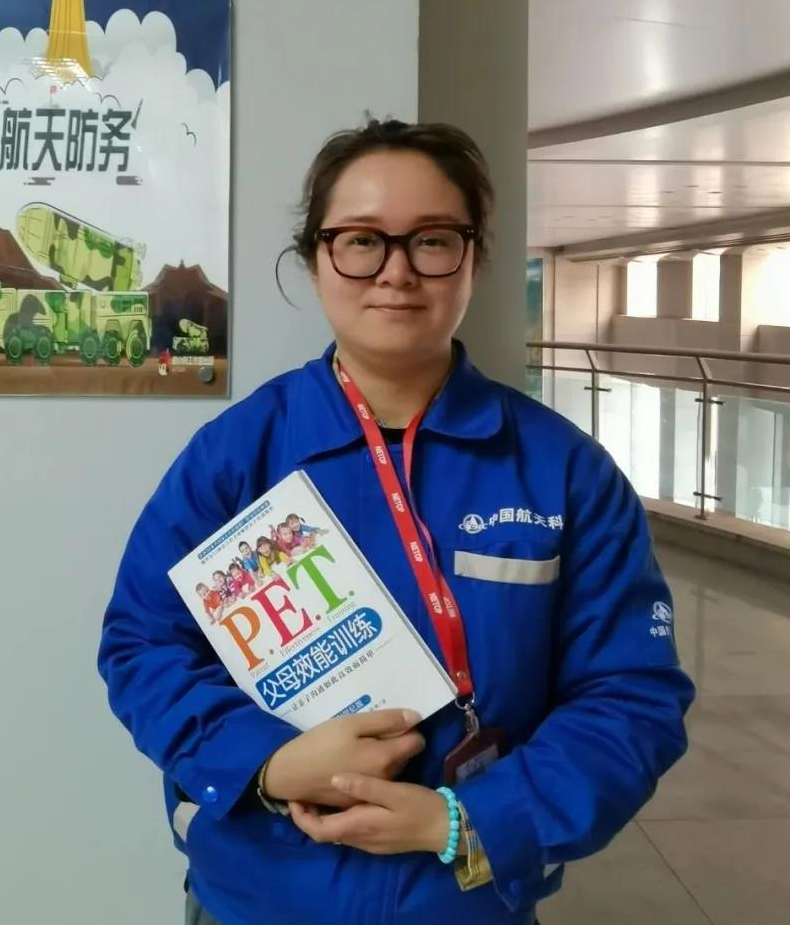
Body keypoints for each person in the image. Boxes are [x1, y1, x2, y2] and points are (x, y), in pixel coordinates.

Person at [97, 118, 695, 925]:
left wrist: (467, 820)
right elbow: (142, 643)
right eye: (361, 240)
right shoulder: (236, 457)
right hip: (256, 900)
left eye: (433, 240)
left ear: (474, 257)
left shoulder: (564, 471)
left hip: (464, 903)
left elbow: (630, 694)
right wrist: (269, 763)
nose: (397, 271)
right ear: (315, 257)